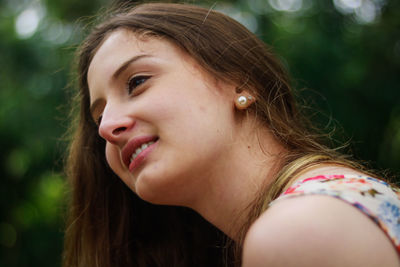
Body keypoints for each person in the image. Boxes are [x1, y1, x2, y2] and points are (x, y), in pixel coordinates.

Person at [63, 2, 400, 267]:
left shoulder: (299, 232)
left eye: (137, 82)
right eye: (98, 117)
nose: (107, 127)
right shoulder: (320, 211)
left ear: (241, 82)